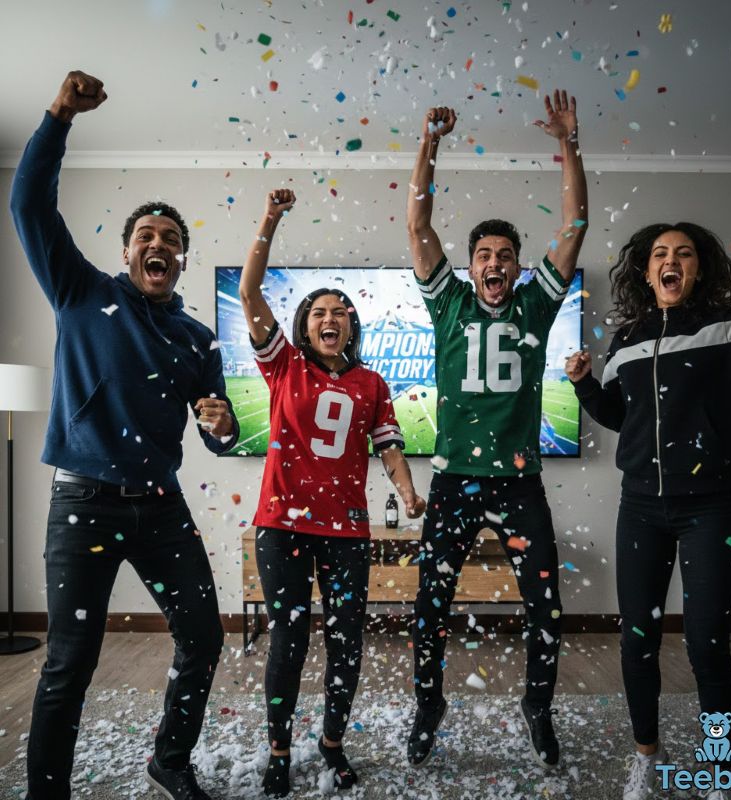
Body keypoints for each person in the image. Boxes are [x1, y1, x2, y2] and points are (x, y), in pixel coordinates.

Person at [10, 71, 240, 800]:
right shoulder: (81, 292)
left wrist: (224, 425)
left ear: (182, 260)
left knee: (204, 637)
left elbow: (220, 436)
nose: (160, 245)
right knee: (70, 660)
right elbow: (27, 203)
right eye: (147, 235)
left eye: (172, 239)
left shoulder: (200, 339)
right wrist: (58, 117)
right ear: (127, 251)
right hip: (83, 504)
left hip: (160, 507)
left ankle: (169, 761)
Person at [565, 225, 731, 800]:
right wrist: (586, 386)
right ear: (646, 272)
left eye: (684, 254)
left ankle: (720, 766)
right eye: (660, 255)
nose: (671, 262)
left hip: (710, 510)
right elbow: (625, 419)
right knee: (637, 641)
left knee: (704, 644)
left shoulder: (725, 327)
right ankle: (647, 755)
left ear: (699, 269)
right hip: (640, 508)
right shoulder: (628, 339)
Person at [405, 90, 588, 768]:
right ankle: (429, 706)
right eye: (483, 254)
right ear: (472, 264)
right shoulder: (449, 302)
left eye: (504, 254)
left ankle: (537, 710)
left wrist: (569, 142)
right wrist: (431, 142)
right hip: (453, 484)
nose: (493, 264)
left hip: (518, 485)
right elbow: (418, 225)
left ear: (516, 264)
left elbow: (575, 226)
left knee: (546, 606)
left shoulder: (537, 306)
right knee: (430, 607)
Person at [239, 188, 426, 797]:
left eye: (340, 312)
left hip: (347, 530)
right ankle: (279, 749)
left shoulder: (373, 382)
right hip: (282, 525)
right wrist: (270, 218)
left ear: (351, 326)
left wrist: (408, 489)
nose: (329, 318)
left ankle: (332, 743)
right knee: (289, 640)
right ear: (305, 324)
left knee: (348, 641)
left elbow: (389, 446)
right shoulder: (283, 365)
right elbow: (247, 293)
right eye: (319, 311)